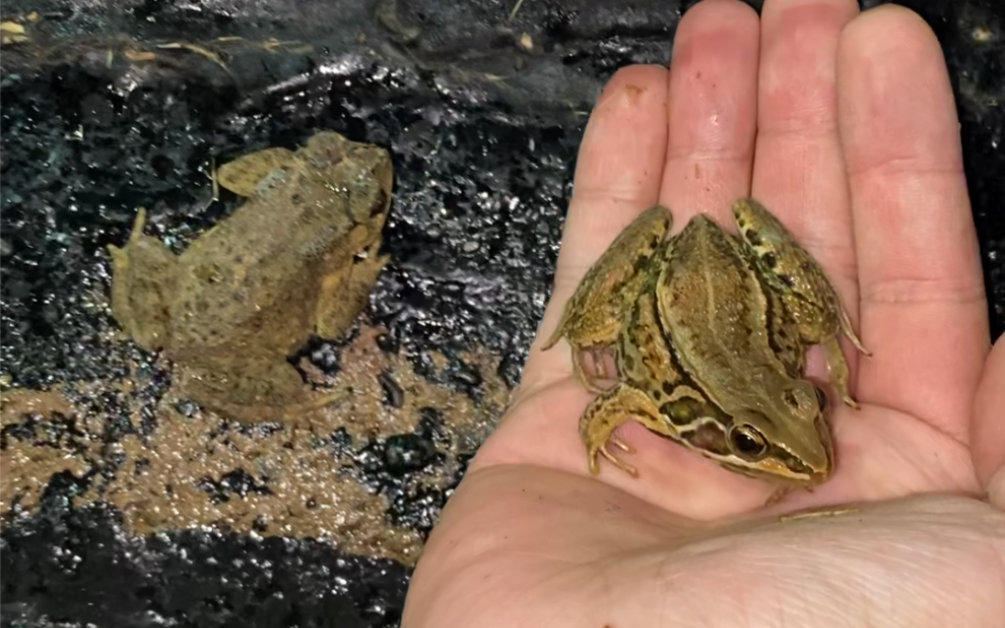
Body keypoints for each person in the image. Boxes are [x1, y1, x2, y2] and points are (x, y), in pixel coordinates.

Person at [401, 0, 1005, 625]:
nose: (815, 456)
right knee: (596, 326)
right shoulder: (668, 404)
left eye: (811, 402)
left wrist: (822, 329)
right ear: (719, 428)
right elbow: (614, 404)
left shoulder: (696, 410)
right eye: (749, 441)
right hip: (670, 288)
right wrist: (593, 428)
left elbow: (611, 399)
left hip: (735, 285)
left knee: (807, 319)